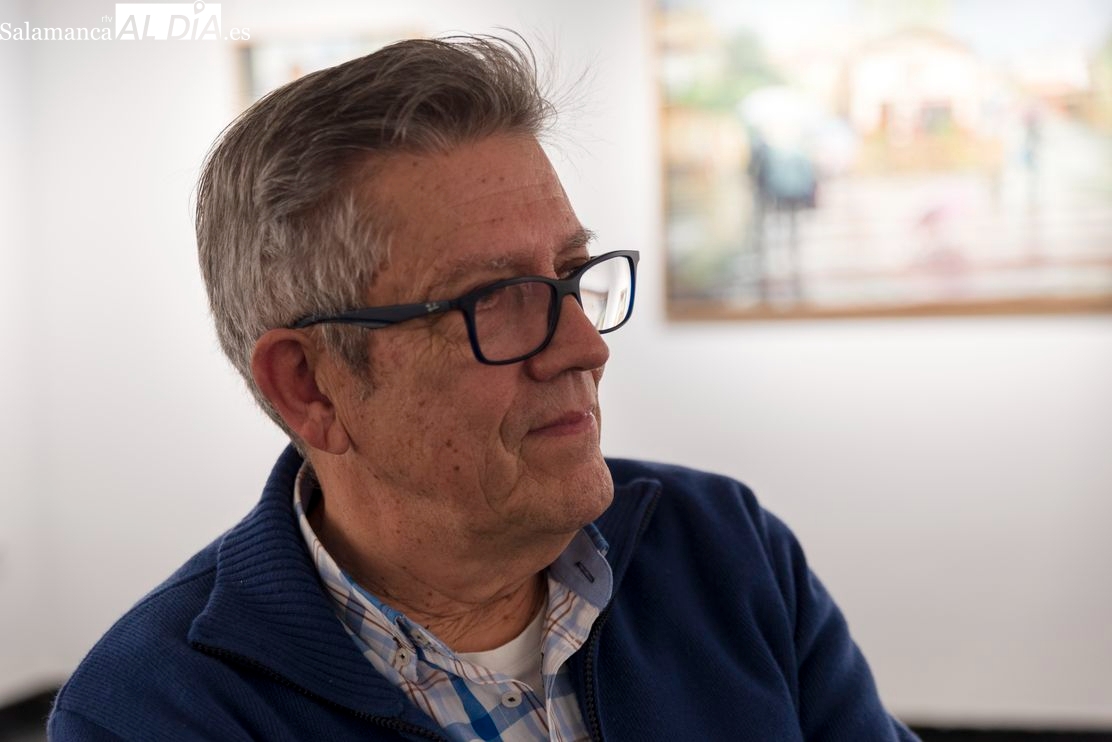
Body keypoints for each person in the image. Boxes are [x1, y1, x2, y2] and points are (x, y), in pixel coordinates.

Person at [48, 35, 918, 741]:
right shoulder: (155, 711)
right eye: (497, 300)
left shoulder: (721, 550)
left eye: (572, 273)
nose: (585, 347)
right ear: (310, 385)